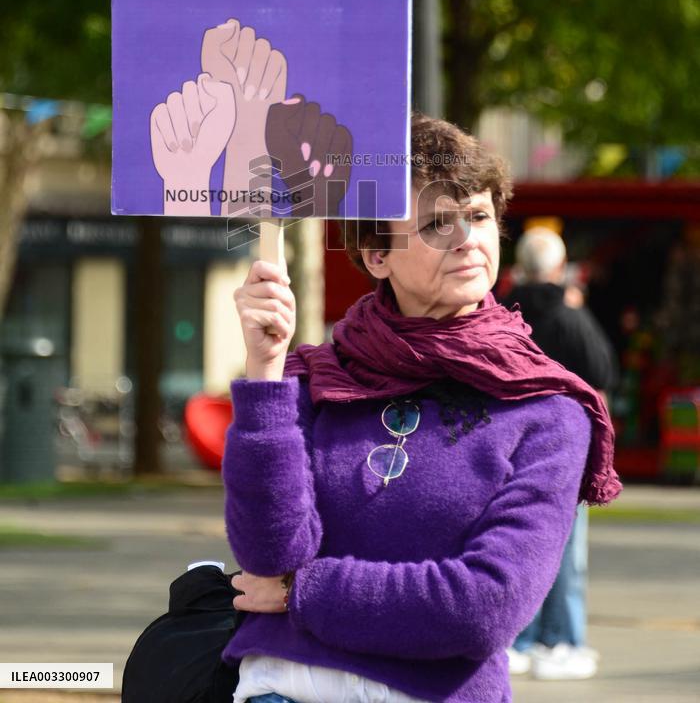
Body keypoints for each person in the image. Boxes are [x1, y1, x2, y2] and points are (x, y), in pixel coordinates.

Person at [222, 114, 621, 703]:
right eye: (437, 222)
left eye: (480, 216)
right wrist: (264, 368)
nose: (467, 239)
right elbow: (267, 555)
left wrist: (301, 593)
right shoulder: (312, 378)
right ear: (376, 254)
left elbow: (483, 608)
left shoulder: (548, 409)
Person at [505, 226, 619, 682]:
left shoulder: (502, 313)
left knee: (519, 543)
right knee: (567, 551)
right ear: (558, 267)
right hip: (566, 448)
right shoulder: (571, 316)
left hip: (513, 444)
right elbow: (603, 369)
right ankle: (564, 639)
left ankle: (521, 638)